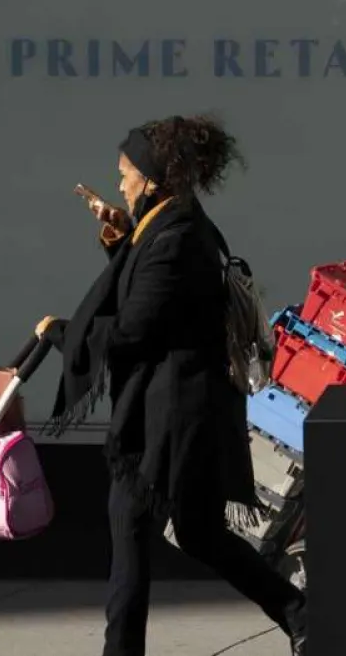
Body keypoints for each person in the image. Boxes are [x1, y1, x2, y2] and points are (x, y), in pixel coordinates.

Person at [34, 114, 307, 656]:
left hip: (168, 421)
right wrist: (120, 236)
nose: (119, 182)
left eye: (125, 173)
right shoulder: (170, 225)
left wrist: (66, 333)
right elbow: (151, 296)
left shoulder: (177, 237)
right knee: (201, 532)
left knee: (130, 530)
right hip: (187, 413)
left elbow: (136, 327)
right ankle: (302, 616)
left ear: (153, 178)